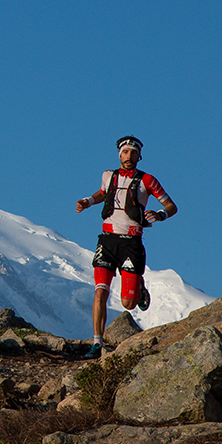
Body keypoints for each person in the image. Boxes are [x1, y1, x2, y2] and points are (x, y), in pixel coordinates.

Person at [75, 136, 177, 358]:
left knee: (128, 303)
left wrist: (161, 215)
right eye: (125, 152)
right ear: (119, 154)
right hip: (107, 239)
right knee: (100, 291)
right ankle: (96, 343)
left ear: (139, 156)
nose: (128, 156)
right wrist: (87, 201)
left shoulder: (148, 180)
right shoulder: (108, 176)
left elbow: (171, 206)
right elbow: (103, 193)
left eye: (133, 153)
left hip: (131, 242)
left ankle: (139, 289)